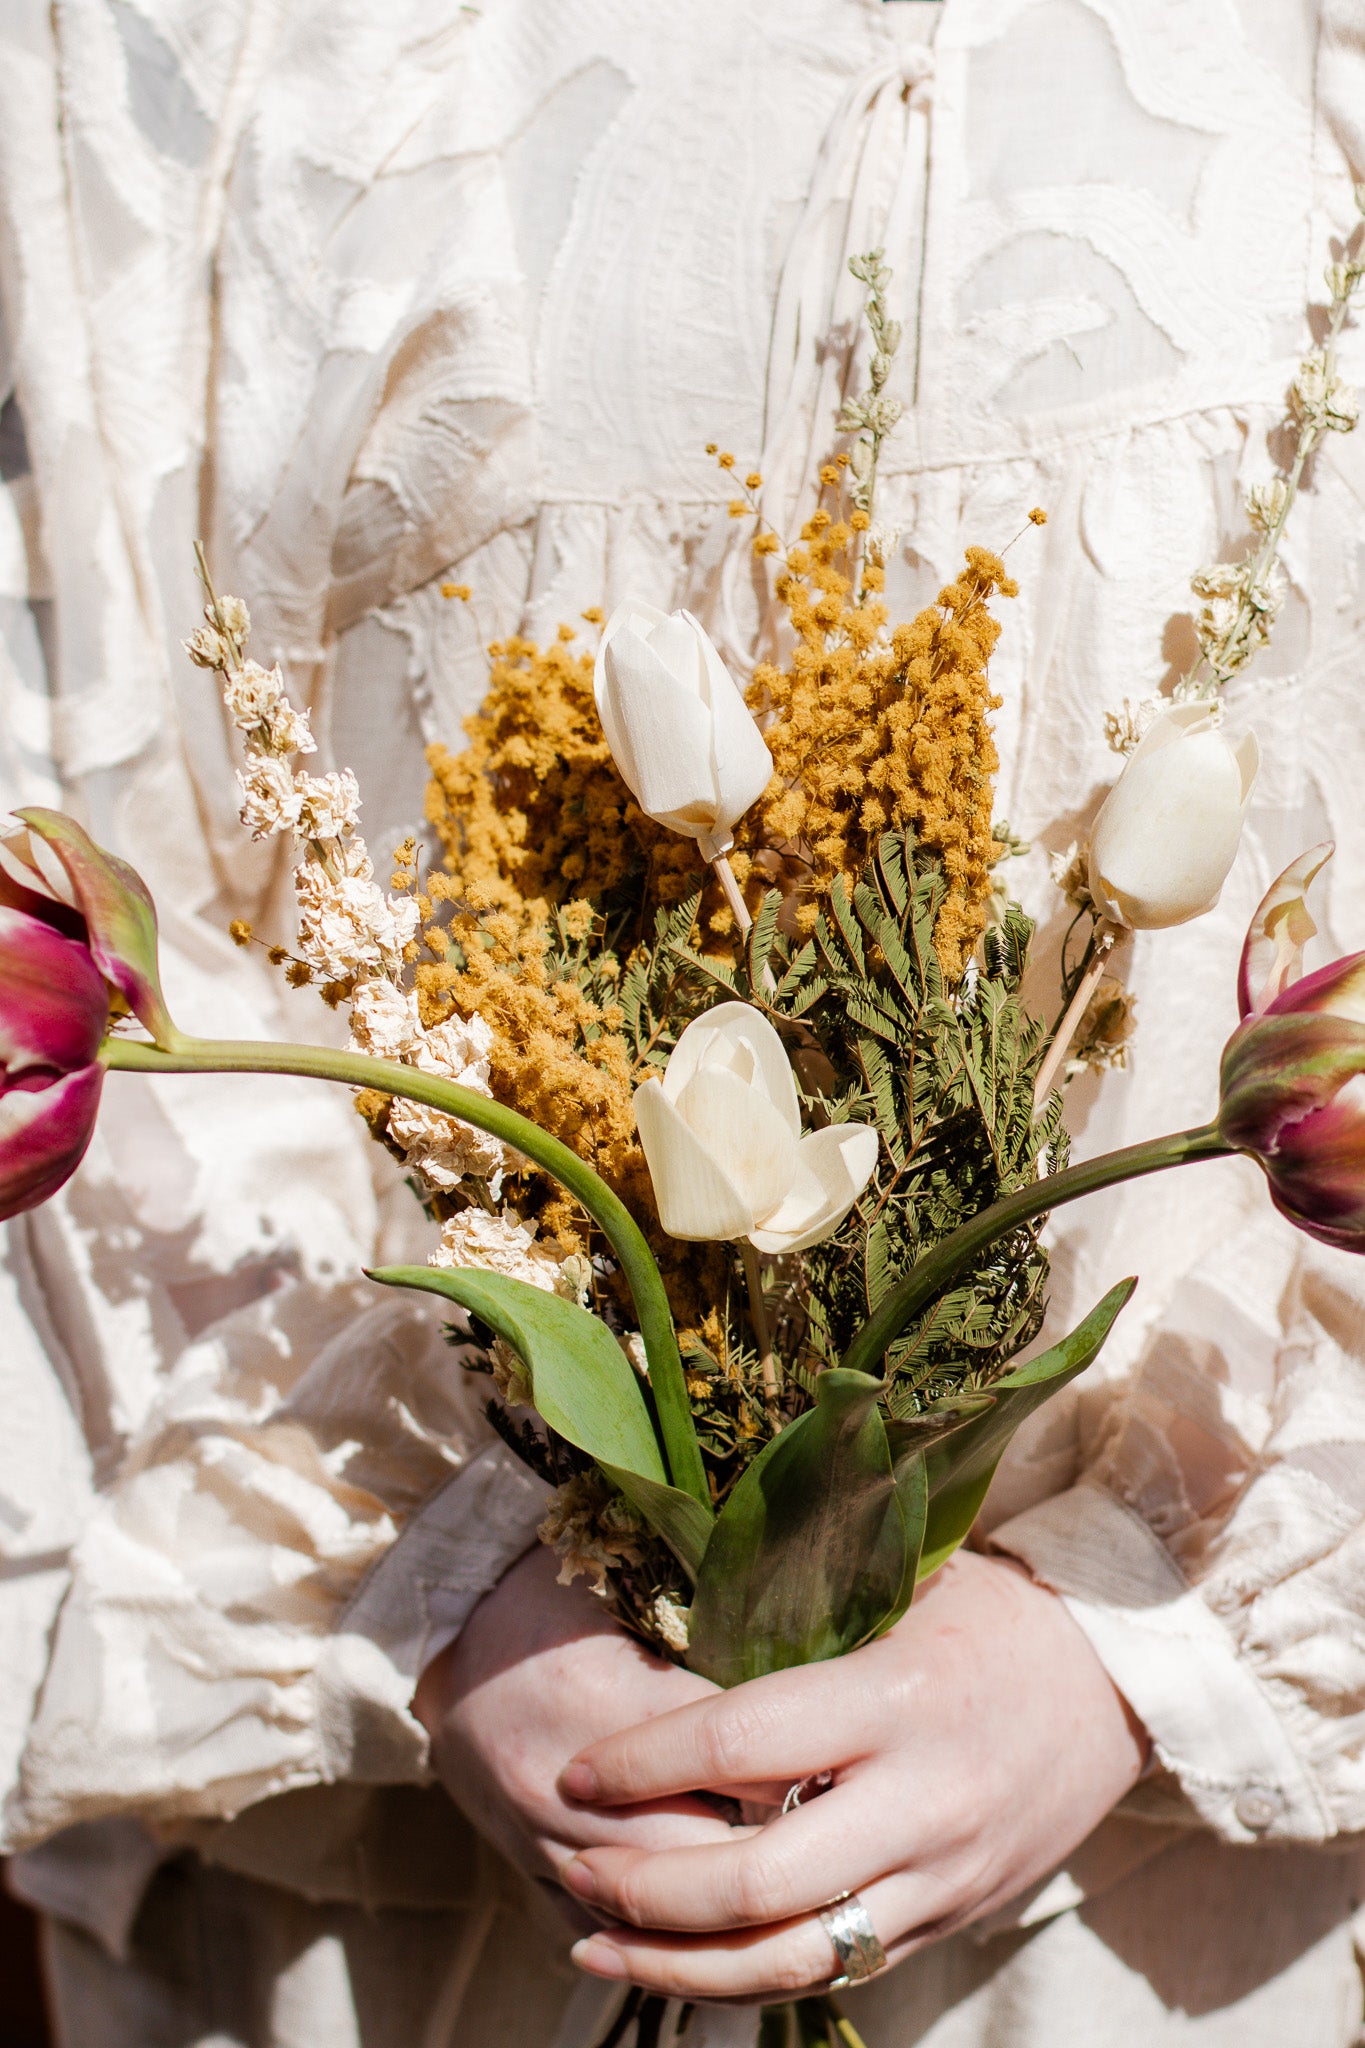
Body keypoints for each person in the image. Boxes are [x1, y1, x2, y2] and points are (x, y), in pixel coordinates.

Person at [2, 1, 1364, 2042]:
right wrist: (446, 1584)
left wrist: (1139, 1640)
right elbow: (74, 732)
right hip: (431, 1856)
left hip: (1155, 1901)